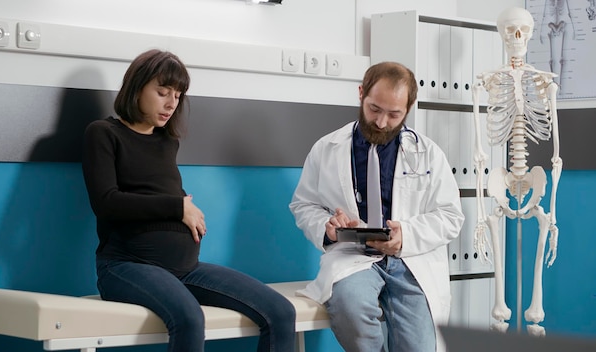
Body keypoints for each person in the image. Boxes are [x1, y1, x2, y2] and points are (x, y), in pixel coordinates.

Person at [82, 49, 296, 352]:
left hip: (185, 267)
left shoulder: (167, 142)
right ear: (136, 87)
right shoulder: (103, 133)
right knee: (190, 318)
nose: (171, 103)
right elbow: (107, 203)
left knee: (281, 312)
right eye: (162, 92)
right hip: (126, 265)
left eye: (178, 95)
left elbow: (158, 192)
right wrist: (178, 206)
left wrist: (182, 204)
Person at [289, 61, 464, 352]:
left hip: (410, 260)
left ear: (408, 109)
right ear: (361, 94)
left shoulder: (429, 154)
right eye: (374, 109)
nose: (382, 122)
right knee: (351, 310)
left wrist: (405, 235)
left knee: (418, 347)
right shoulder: (326, 148)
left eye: (394, 114)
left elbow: (450, 216)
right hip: (353, 257)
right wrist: (327, 227)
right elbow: (304, 204)